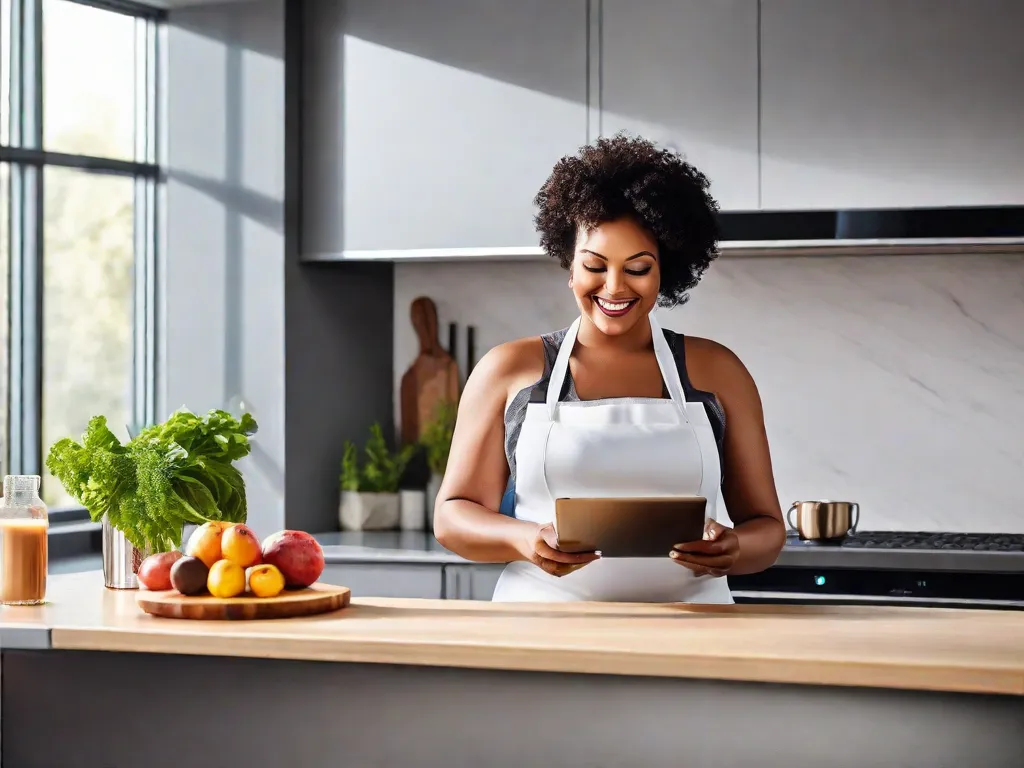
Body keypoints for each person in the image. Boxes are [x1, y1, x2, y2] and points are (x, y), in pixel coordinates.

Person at [433, 134, 785, 603]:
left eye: (637, 268)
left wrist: (735, 548)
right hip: (542, 627)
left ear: (666, 270)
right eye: (595, 265)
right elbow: (453, 515)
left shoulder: (716, 371)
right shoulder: (509, 369)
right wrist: (524, 539)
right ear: (569, 265)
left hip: (696, 631)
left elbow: (767, 529)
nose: (614, 288)